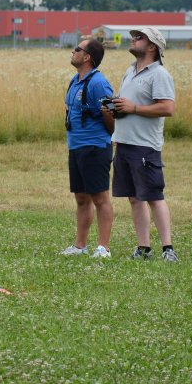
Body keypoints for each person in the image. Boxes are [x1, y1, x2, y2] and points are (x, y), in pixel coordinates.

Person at [106, 27, 178, 262]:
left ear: (152, 47)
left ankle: (168, 249)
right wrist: (115, 109)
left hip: (145, 146)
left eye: (139, 38)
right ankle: (143, 248)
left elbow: (167, 107)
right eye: (134, 36)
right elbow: (127, 106)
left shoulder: (159, 74)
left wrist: (134, 108)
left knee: (154, 196)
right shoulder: (130, 71)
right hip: (124, 143)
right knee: (134, 197)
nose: (133, 39)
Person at [60, 38, 116, 259]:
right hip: (76, 146)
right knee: (81, 198)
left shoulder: (98, 83)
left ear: (87, 57)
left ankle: (103, 248)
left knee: (100, 198)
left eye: (77, 49)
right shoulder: (75, 80)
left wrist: (110, 135)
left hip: (95, 147)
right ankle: (80, 246)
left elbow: (111, 111)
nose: (73, 51)